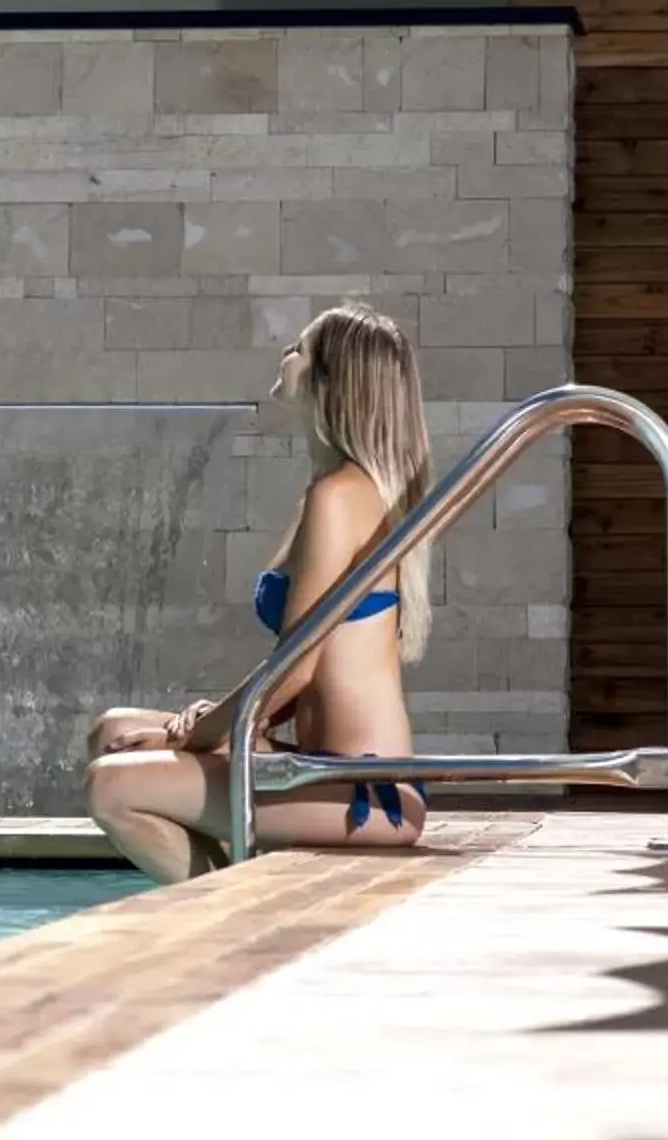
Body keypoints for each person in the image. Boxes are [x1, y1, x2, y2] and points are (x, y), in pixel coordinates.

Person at [84, 303, 438, 883]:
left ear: (330, 380)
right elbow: (315, 669)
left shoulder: (343, 495)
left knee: (112, 785)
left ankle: (235, 918)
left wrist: (204, 732)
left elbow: (294, 669)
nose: (285, 356)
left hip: (361, 789)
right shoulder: (333, 491)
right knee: (115, 730)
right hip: (313, 764)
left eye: (299, 348)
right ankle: (235, 891)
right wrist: (234, 726)